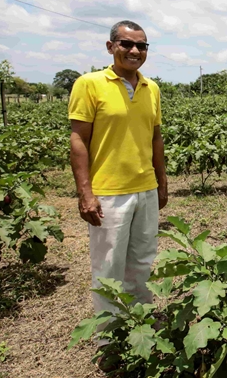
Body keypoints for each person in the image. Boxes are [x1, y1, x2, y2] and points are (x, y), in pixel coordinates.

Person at [68, 20, 167, 368]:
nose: (135, 51)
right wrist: (86, 192)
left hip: (145, 188)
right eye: (126, 44)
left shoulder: (151, 88)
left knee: (142, 261)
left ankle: (142, 322)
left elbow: (155, 137)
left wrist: (162, 181)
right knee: (108, 268)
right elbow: (78, 139)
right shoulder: (89, 84)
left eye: (142, 45)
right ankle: (109, 340)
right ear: (110, 47)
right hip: (108, 193)